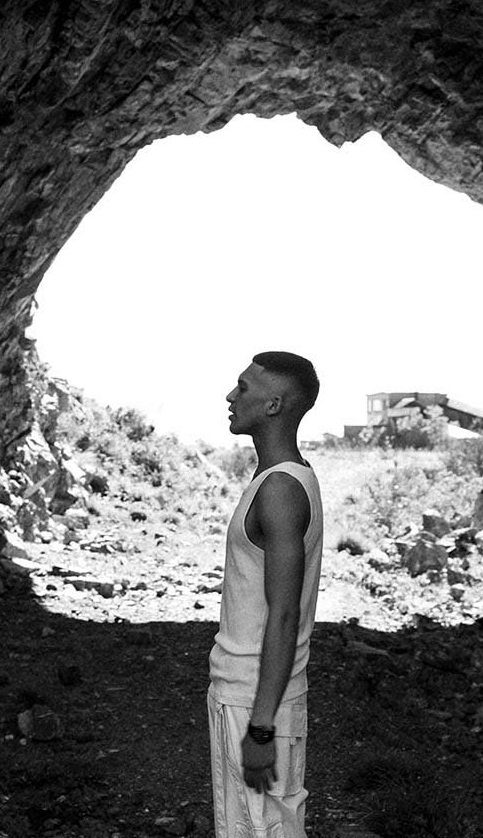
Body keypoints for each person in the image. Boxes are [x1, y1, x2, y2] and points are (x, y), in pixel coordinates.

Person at [208, 351, 323, 838]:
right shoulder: (281, 478)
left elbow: (284, 615)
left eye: (243, 387)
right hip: (246, 693)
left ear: (274, 405)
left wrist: (261, 727)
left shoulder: (280, 488)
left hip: (256, 698)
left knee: (262, 830)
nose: (230, 396)